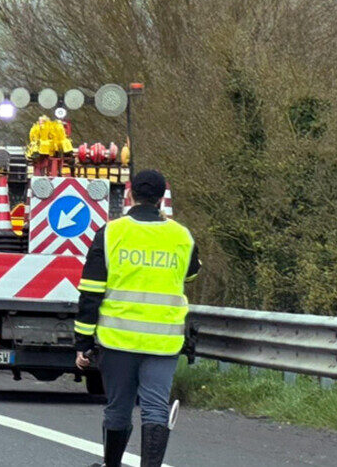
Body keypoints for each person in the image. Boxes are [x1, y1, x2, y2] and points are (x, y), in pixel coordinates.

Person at [74, 170, 200, 467]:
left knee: (118, 408)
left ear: (129, 194)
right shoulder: (181, 234)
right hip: (164, 341)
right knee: (156, 409)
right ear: (161, 198)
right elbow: (192, 272)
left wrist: (82, 342)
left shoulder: (111, 232)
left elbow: (90, 291)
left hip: (118, 340)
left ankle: (112, 465)